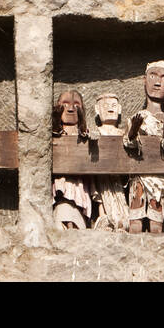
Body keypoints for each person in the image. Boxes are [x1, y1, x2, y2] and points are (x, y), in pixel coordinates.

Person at [125, 60, 164, 233]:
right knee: (135, 222)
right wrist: (133, 131)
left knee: (156, 224)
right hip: (139, 175)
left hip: (159, 177)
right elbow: (129, 143)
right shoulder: (136, 117)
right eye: (152, 76)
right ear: (144, 79)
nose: (157, 82)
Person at [51, 89, 93, 228]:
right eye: (65, 104)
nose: (70, 109)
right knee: (63, 211)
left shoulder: (84, 134)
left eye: (76, 105)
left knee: (75, 212)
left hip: (78, 184)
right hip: (61, 184)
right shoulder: (54, 132)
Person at [91, 93, 130, 231]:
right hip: (101, 171)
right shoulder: (97, 131)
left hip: (118, 172)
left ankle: (121, 219)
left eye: (113, 106)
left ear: (119, 109)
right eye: (105, 106)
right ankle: (104, 218)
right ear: (97, 109)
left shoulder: (122, 132)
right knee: (103, 193)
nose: (110, 109)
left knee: (119, 194)